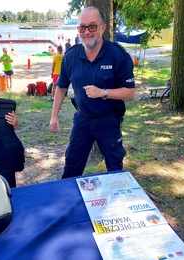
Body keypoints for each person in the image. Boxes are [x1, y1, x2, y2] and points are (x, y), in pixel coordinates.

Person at [49, 6, 135, 179]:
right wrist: (54, 115)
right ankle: (69, 203)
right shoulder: (71, 55)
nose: (86, 32)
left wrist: (103, 92)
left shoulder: (117, 55)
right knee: (72, 166)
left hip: (109, 120)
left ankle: (116, 201)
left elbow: (130, 92)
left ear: (102, 28)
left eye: (92, 26)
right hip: (82, 119)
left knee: (115, 167)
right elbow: (62, 87)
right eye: (82, 27)